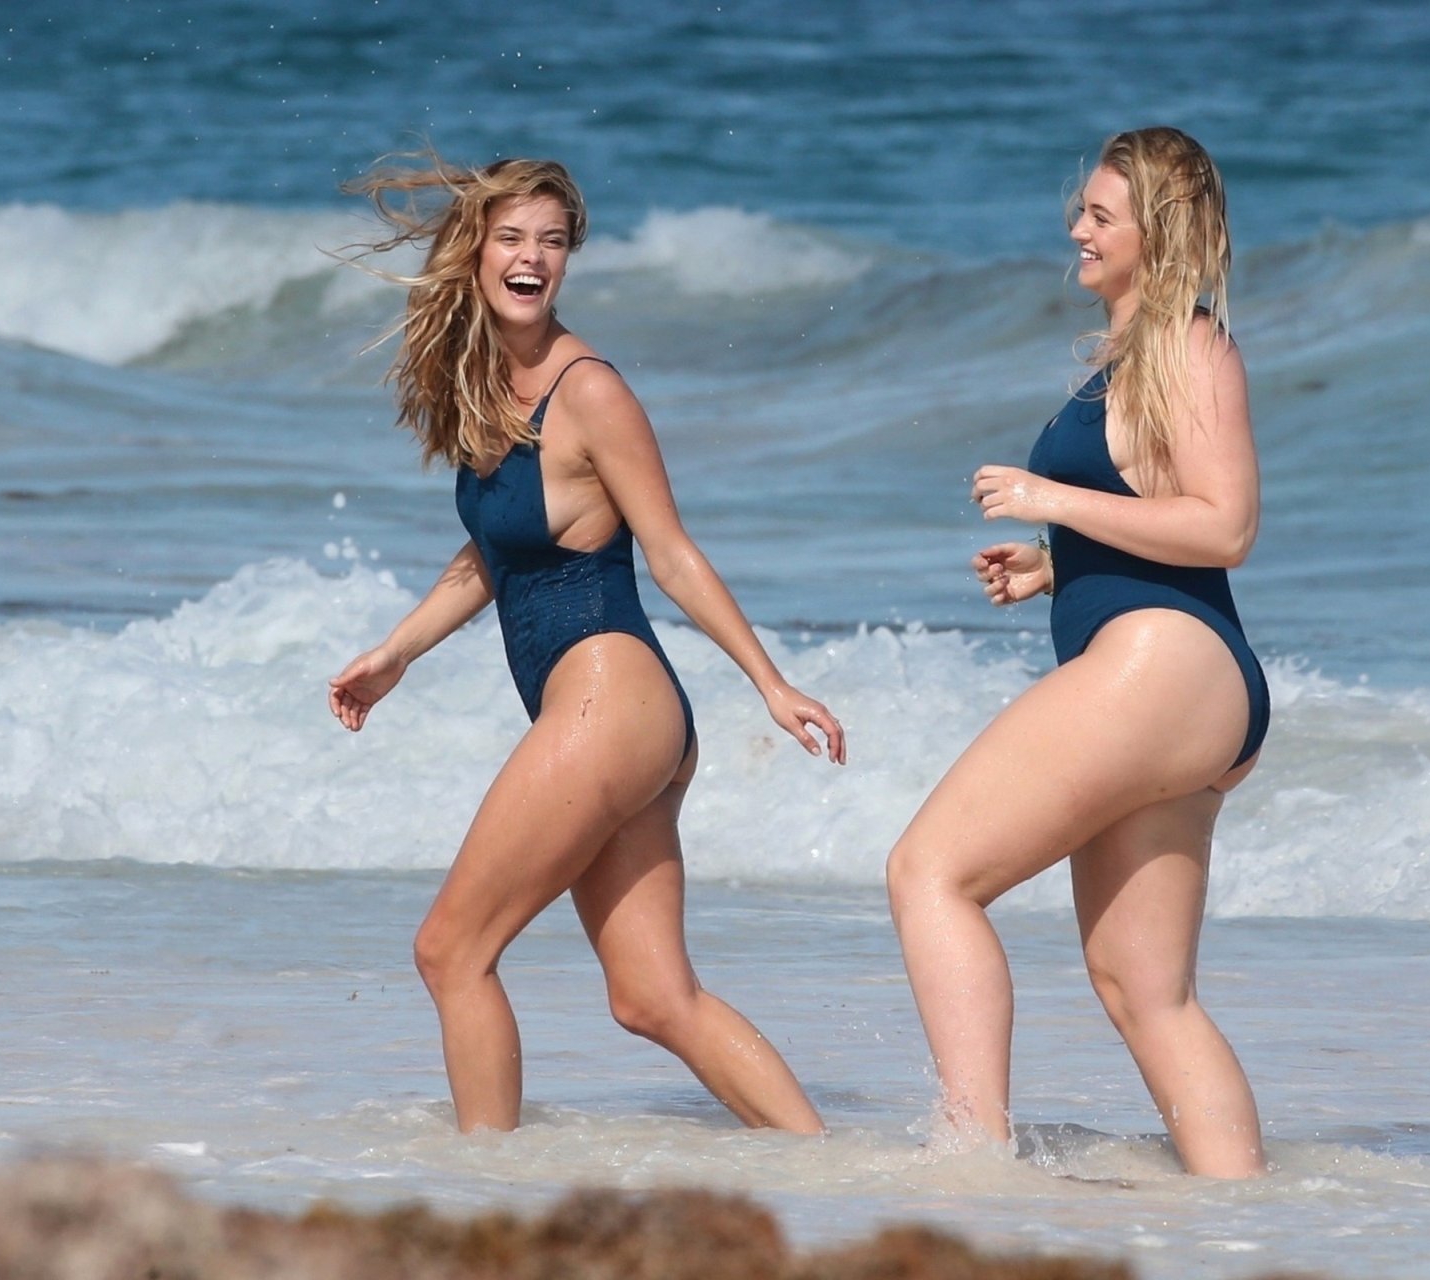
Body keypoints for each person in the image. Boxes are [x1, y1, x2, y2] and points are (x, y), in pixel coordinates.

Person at [328, 155, 844, 1136]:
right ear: (475, 250)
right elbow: (495, 553)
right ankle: (827, 1168)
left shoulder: (589, 388)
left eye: (553, 241)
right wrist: (397, 653)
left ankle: (490, 1185)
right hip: (621, 717)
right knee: (653, 997)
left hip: (613, 697)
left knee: (451, 951)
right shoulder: (489, 384)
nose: (532, 257)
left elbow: (672, 553)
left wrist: (771, 684)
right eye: (513, 238)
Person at [884, 127, 1270, 1177]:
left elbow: (1227, 525)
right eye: (1083, 212)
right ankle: (1246, 1215)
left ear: (1159, 233)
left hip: (1167, 664)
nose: (1078, 232)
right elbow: (1162, 514)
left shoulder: (1189, 346)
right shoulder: (1137, 354)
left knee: (930, 872)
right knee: (1143, 988)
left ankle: (971, 1158)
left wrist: (1048, 497)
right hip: (1186, 674)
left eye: (1101, 216)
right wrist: (1058, 566)